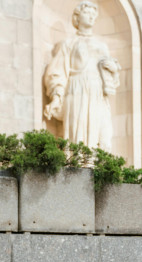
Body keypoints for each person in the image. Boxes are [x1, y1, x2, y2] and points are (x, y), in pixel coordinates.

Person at [43, 1, 120, 151]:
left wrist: (114, 71)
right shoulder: (69, 44)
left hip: (98, 93)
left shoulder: (102, 45)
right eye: (87, 13)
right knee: (77, 135)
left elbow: (112, 80)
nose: (91, 17)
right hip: (76, 90)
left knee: (102, 135)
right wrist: (57, 96)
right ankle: (76, 167)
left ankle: (99, 166)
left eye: (93, 14)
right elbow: (57, 72)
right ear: (77, 17)